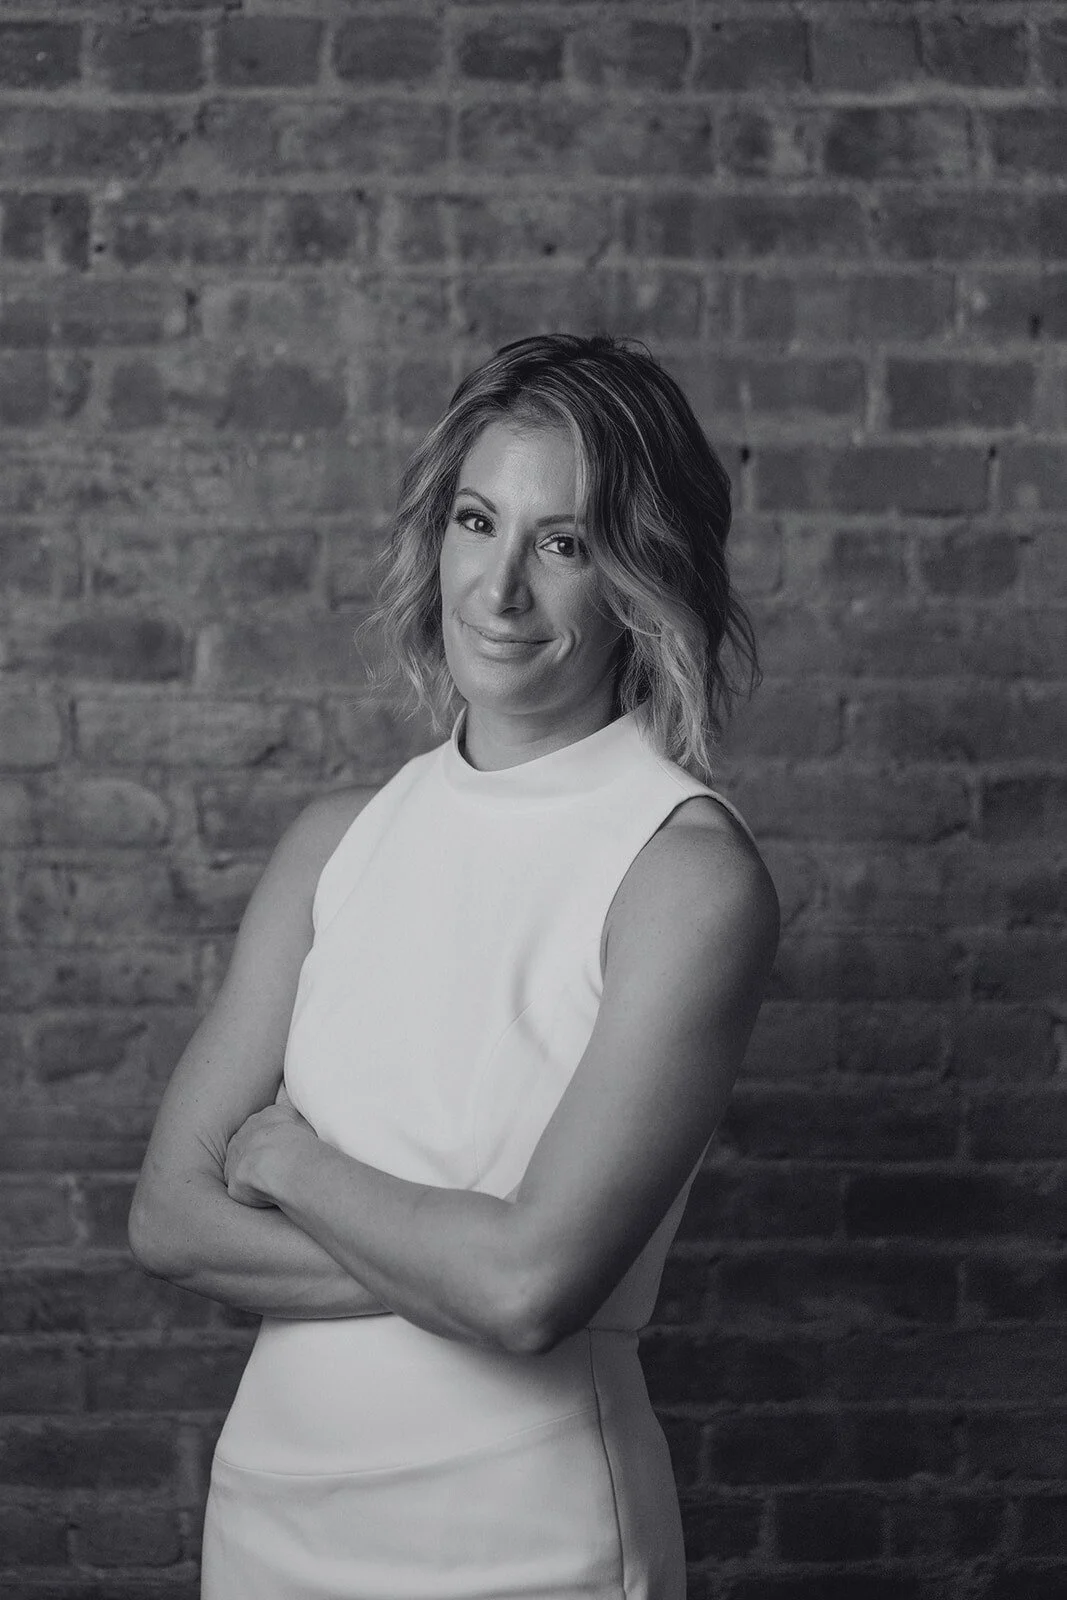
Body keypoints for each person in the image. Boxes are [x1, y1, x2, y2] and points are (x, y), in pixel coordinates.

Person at [129, 332, 780, 1600]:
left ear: (641, 578)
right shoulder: (333, 843)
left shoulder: (681, 873)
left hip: (525, 1534)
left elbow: (531, 1290)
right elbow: (166, 1217)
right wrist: (457, 1269)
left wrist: (286, 1161)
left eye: (564, 541)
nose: (499, 589)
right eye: (479, 521)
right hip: (269, 1516)